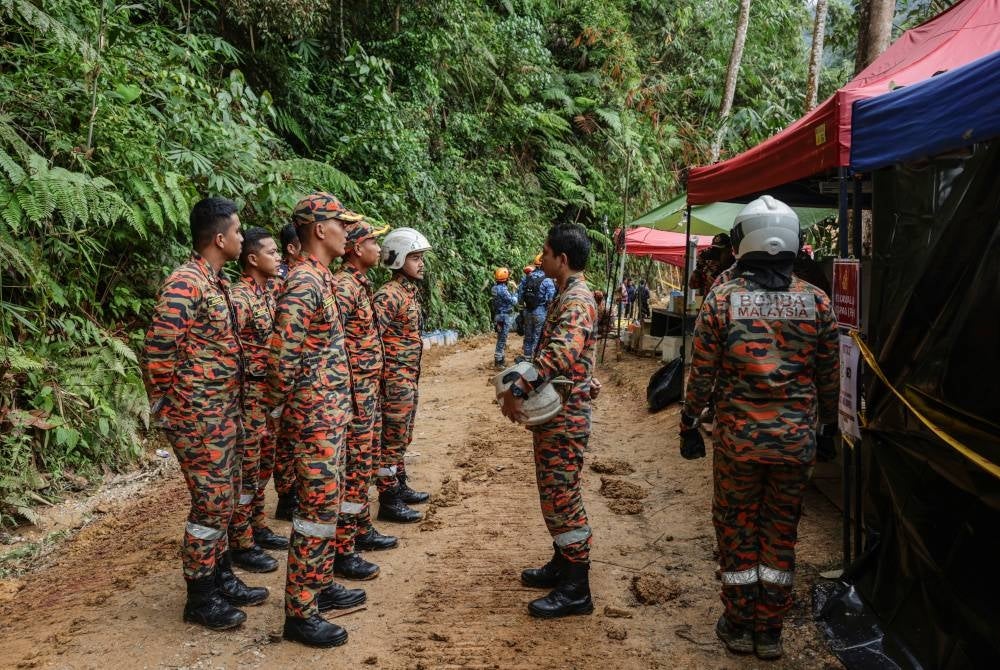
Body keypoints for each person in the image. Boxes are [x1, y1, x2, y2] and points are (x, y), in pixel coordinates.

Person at [678, 196, 839, 661]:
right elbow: (830, 379)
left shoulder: (722, 300)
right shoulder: (818, 302)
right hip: (795, 446)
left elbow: (701, 375)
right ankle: (769, 631)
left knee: (736, 530)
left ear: (741, 241)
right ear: (794, 241)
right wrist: (827, 428)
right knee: (780, 533)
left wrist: (689, 421)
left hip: (738, 446)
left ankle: (738, 623)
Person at [144, 196, 267, 631]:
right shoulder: (186, 282)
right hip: (197, 415)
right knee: (211, 502)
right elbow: (158, 349)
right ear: (219, 238)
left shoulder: (215, 282)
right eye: (237, 231)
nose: (242, 238)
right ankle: (200, 596)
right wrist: (167, 406)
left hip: (223, 410)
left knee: (227, 496)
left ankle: (221, 576)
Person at [267, 192, 365, 648]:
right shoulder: (304, 282)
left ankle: (320, 584)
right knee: (315, 512)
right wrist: (280, 410)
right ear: (320, 230)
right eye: (341, 224)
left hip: (329, 414)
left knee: (327, 507)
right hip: (314, 418)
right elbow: (281, 357)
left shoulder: (320, 277)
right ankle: (301, 611)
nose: (348, 232)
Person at [499, 223, 601, 619]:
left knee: (562, 496)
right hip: (561, 410)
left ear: (563, 258)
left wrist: (518, 388)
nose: (540, 258)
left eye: (545, 252)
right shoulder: (565, 293)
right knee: (554, 493)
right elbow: (577, 357)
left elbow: (561, 353)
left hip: (566, 418)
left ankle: (577, 588)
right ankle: (562, 563)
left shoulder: (576, 299)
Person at [331, 218, 398, 582]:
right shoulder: (344, 286)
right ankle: (343, 549)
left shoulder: (358, 283)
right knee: (354, 467)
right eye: (373, 241)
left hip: (366, 392)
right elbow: (333, 340)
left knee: (365, 463)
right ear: (357, 248)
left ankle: (359, 528)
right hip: (354, 393)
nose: (378, 248)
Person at [227, 227, 286, 576]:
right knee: (246, 469)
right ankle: (240, 541)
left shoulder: (267, 293)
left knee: (263, 465)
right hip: (246, 400)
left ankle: (258, 524)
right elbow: (227, 350)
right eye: (272, 252)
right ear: (252, 259)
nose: (278, 258)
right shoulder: (240, 298)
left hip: (266, 397)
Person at [373, 228, 433, 523]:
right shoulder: (388, 295)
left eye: (421, 258)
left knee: (402, 435)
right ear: (397, 258)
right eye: (415, 258)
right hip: (394, 380)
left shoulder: (407, 292)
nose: (421, 264)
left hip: (407, 377)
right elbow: (371, 338)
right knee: (391, 439)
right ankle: (389, 500)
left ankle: (398, 483)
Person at [269, 222, 301, 522]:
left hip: (297, 370)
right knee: (284, 439)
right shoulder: (280, 281)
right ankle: (287, 495)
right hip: (282, 368)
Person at [518, 254, 556, 359]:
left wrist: (521, 310)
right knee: (538, 337)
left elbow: (520, 295)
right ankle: (534, 360)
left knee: (528, 336)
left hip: (527, 311)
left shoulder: (526, 277)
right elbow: (550, 299)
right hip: (540, 311)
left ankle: (526, 358)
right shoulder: (547, 280)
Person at [491, 267, 517, 368]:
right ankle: (498, 361)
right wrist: (514, 290)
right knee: (502, 339)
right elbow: (513, 301)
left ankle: (501, 359)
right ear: (506, 278)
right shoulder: (503, 290)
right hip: (504, 316)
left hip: (498, 316)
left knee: (500, 337)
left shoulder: (494, 288)